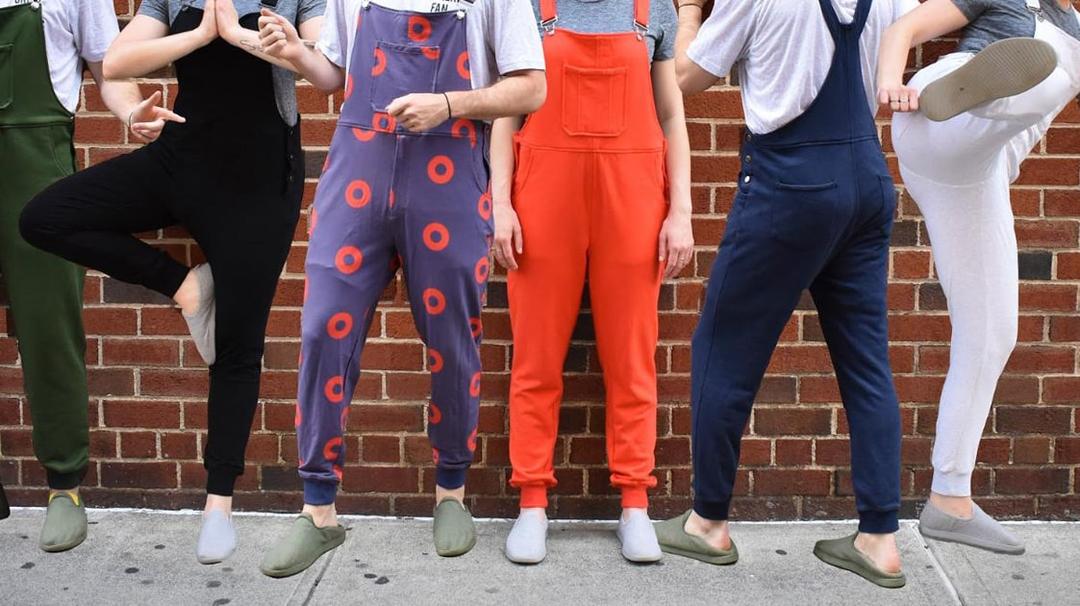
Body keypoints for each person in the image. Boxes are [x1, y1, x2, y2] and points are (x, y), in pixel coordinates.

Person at [19, 0, 325, 564]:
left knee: (237, 345)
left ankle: (218, 503)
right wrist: (203, 33)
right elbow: (116, 62)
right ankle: (186, 285)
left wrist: (252, 39)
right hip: (181, 161)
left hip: (261, 183)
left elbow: (327, 72)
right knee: (45, 218)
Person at [254, 0, 545, 577]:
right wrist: (297, 55)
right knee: (322, 327)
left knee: (453, 337)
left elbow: (532, 88)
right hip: (357, 168)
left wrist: (450, 104)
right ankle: (318, 508)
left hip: (451, 172)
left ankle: (451, 491)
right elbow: (337, 76)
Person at [654, 0, 917, 589]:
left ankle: (707, 523)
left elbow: (682, 80)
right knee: (868, 366)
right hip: (868, 180)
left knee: (722, 353)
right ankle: (879, 539)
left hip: (789, 185)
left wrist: (691, 12)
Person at [492, 0, 693, 565]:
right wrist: (501, 202)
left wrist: (681, 210)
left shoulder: (652, 11)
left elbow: (672, 115)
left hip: (633, 198)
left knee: (633, 359)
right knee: (535, 358)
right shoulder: (531, 9)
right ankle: (531, 502)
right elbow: (507, 113)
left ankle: (635, 504)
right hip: (543, 196)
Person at [879, 0, 1080, 555]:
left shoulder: (1075, 27)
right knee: (1038, 81)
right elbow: (906, 27)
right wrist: (889, 82)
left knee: (993, 334)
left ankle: (949, 498)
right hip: (930, 116)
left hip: (974, 173)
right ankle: (985, 86)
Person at [0, 0, 179, 552]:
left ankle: (64, 485)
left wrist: (130, 114)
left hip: (31, 161)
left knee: (48, 326)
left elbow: (111, 69)